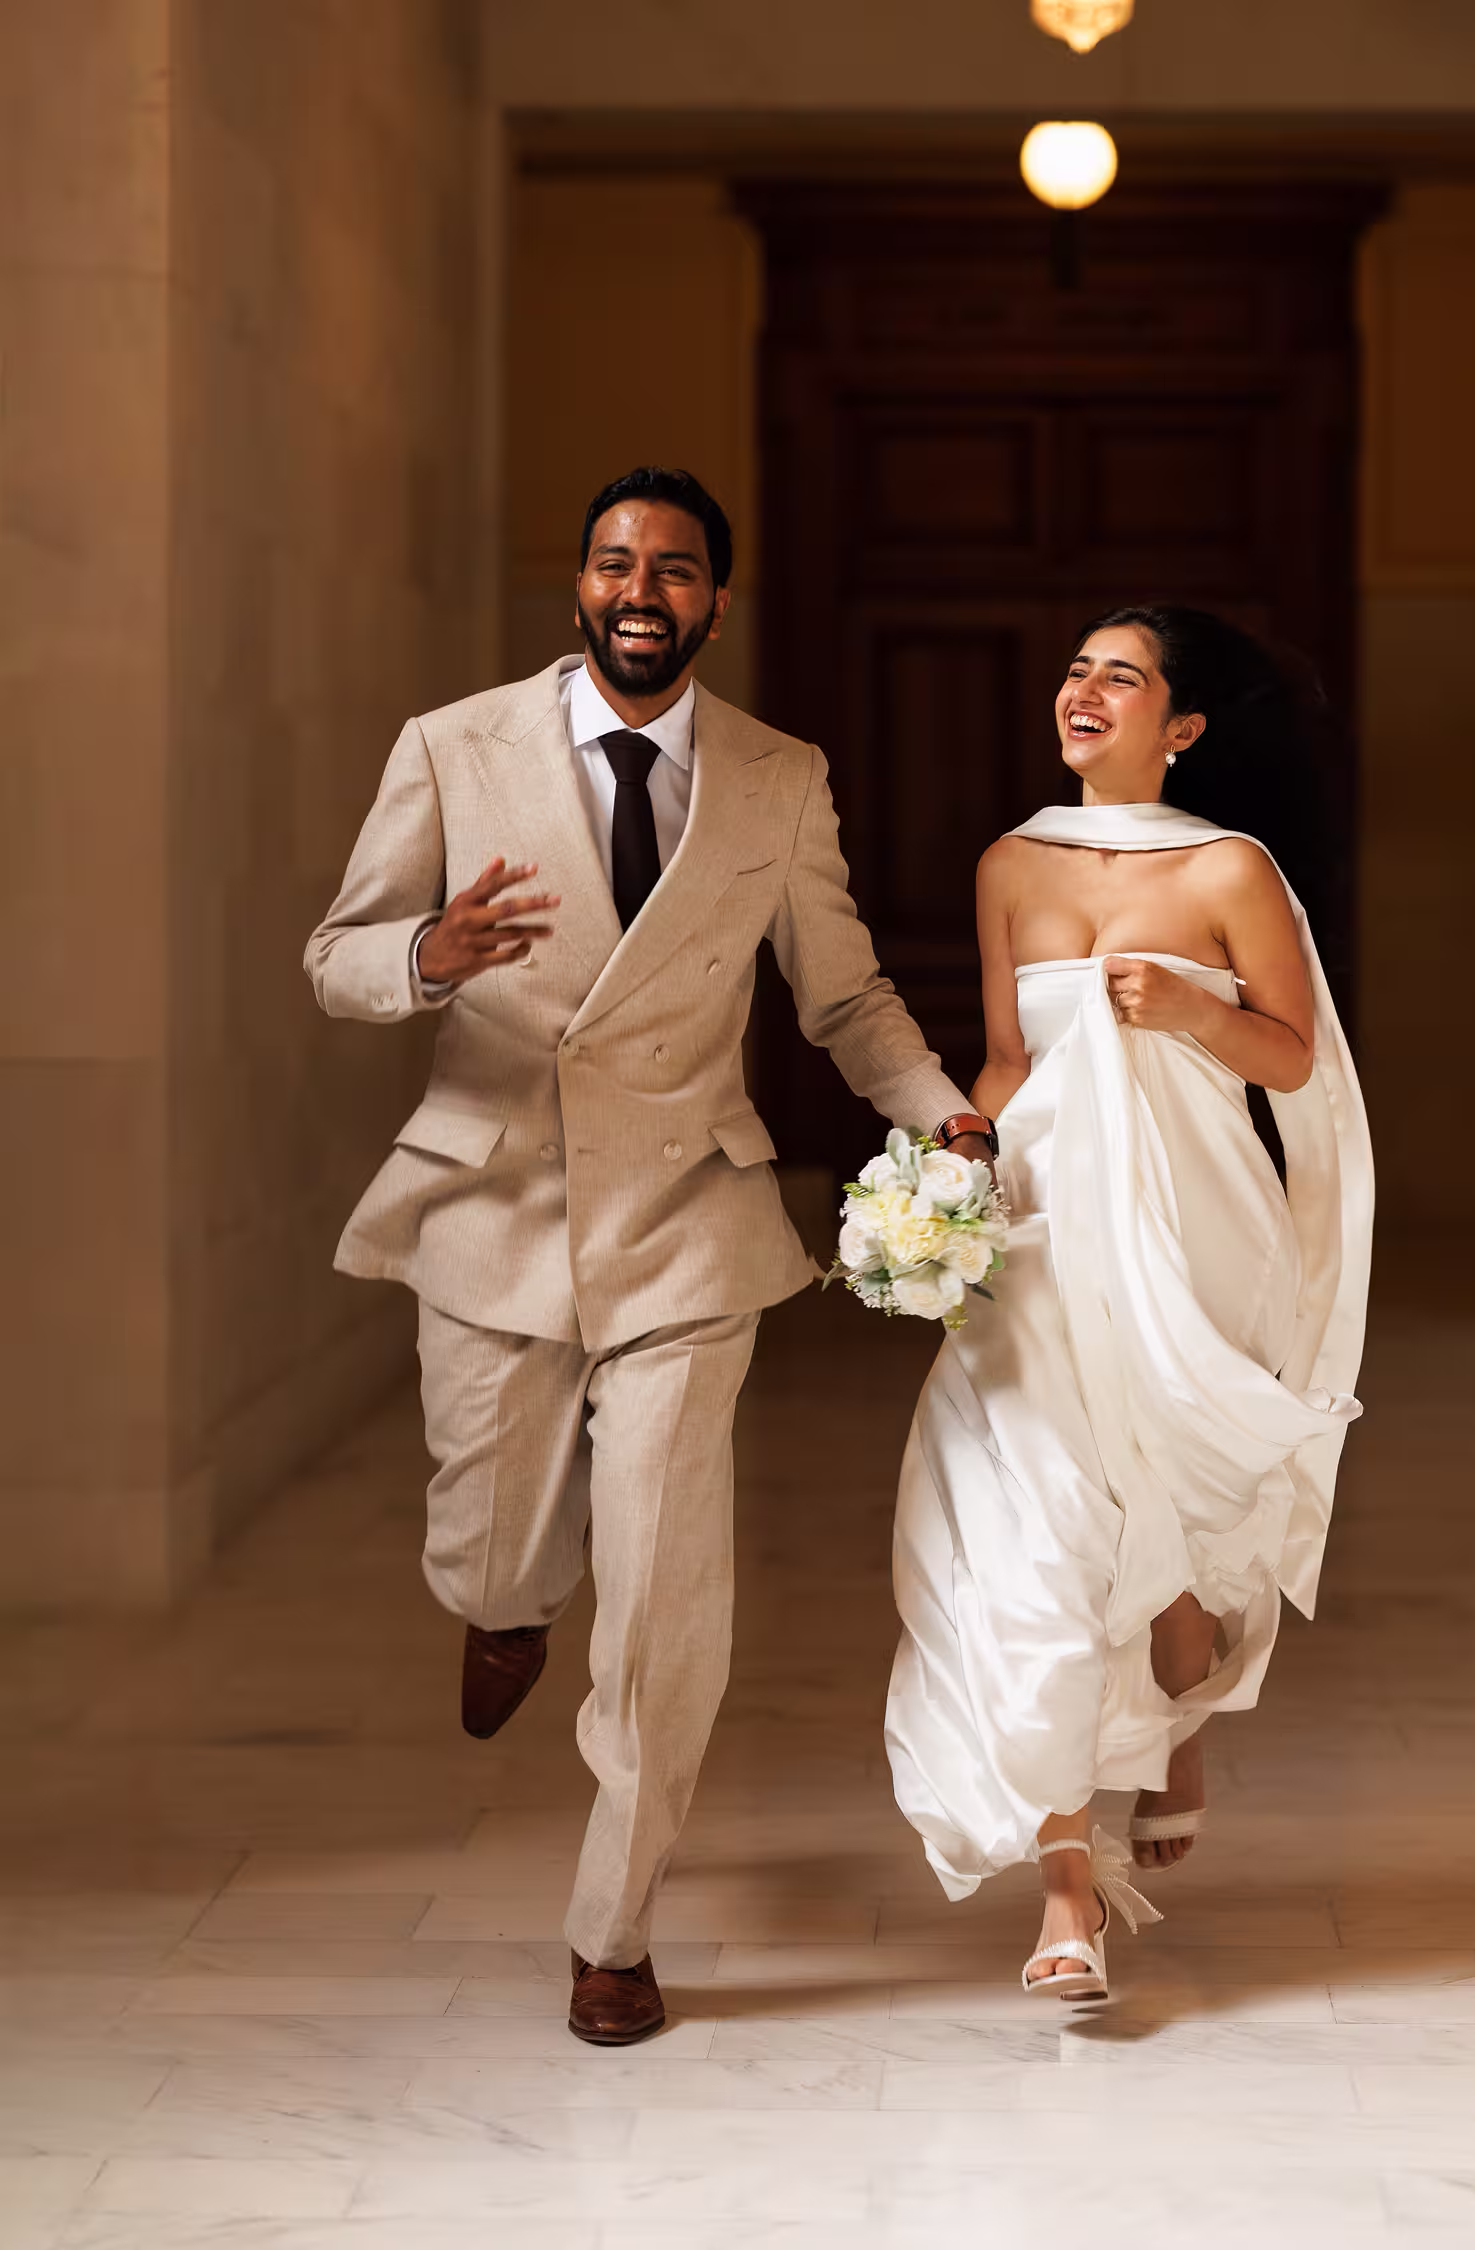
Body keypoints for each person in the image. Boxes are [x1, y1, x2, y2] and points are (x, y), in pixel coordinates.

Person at [304, 467, 993, 2045]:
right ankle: (502, 1597)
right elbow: (334, 956)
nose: (640, 588)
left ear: (712, 602)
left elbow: (843, 995)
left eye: (672, 569)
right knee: (487, 1536)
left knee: (668, 1598)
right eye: (614, 561)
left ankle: (612, 1930)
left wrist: (942, 1115)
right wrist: (428, 953)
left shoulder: (774, 775)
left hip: (686, 1215)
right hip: (493, 1205)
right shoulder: (451, 745)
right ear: (579, 587)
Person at [884, 605, 1373, 1998]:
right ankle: (1064, 1894)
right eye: (1075, 669)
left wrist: (1191, 1014)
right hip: (1041, 1231)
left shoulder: (1228, 869)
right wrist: (944, 1194)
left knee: (1167, 1494)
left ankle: (1177, 1667)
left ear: (1182, 725)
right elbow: (996, 1060)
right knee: (1026, 1535)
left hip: (1193, 1226)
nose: (1082, 689)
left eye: (1122, 674)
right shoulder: (1007, 863)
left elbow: (1289, 1060)